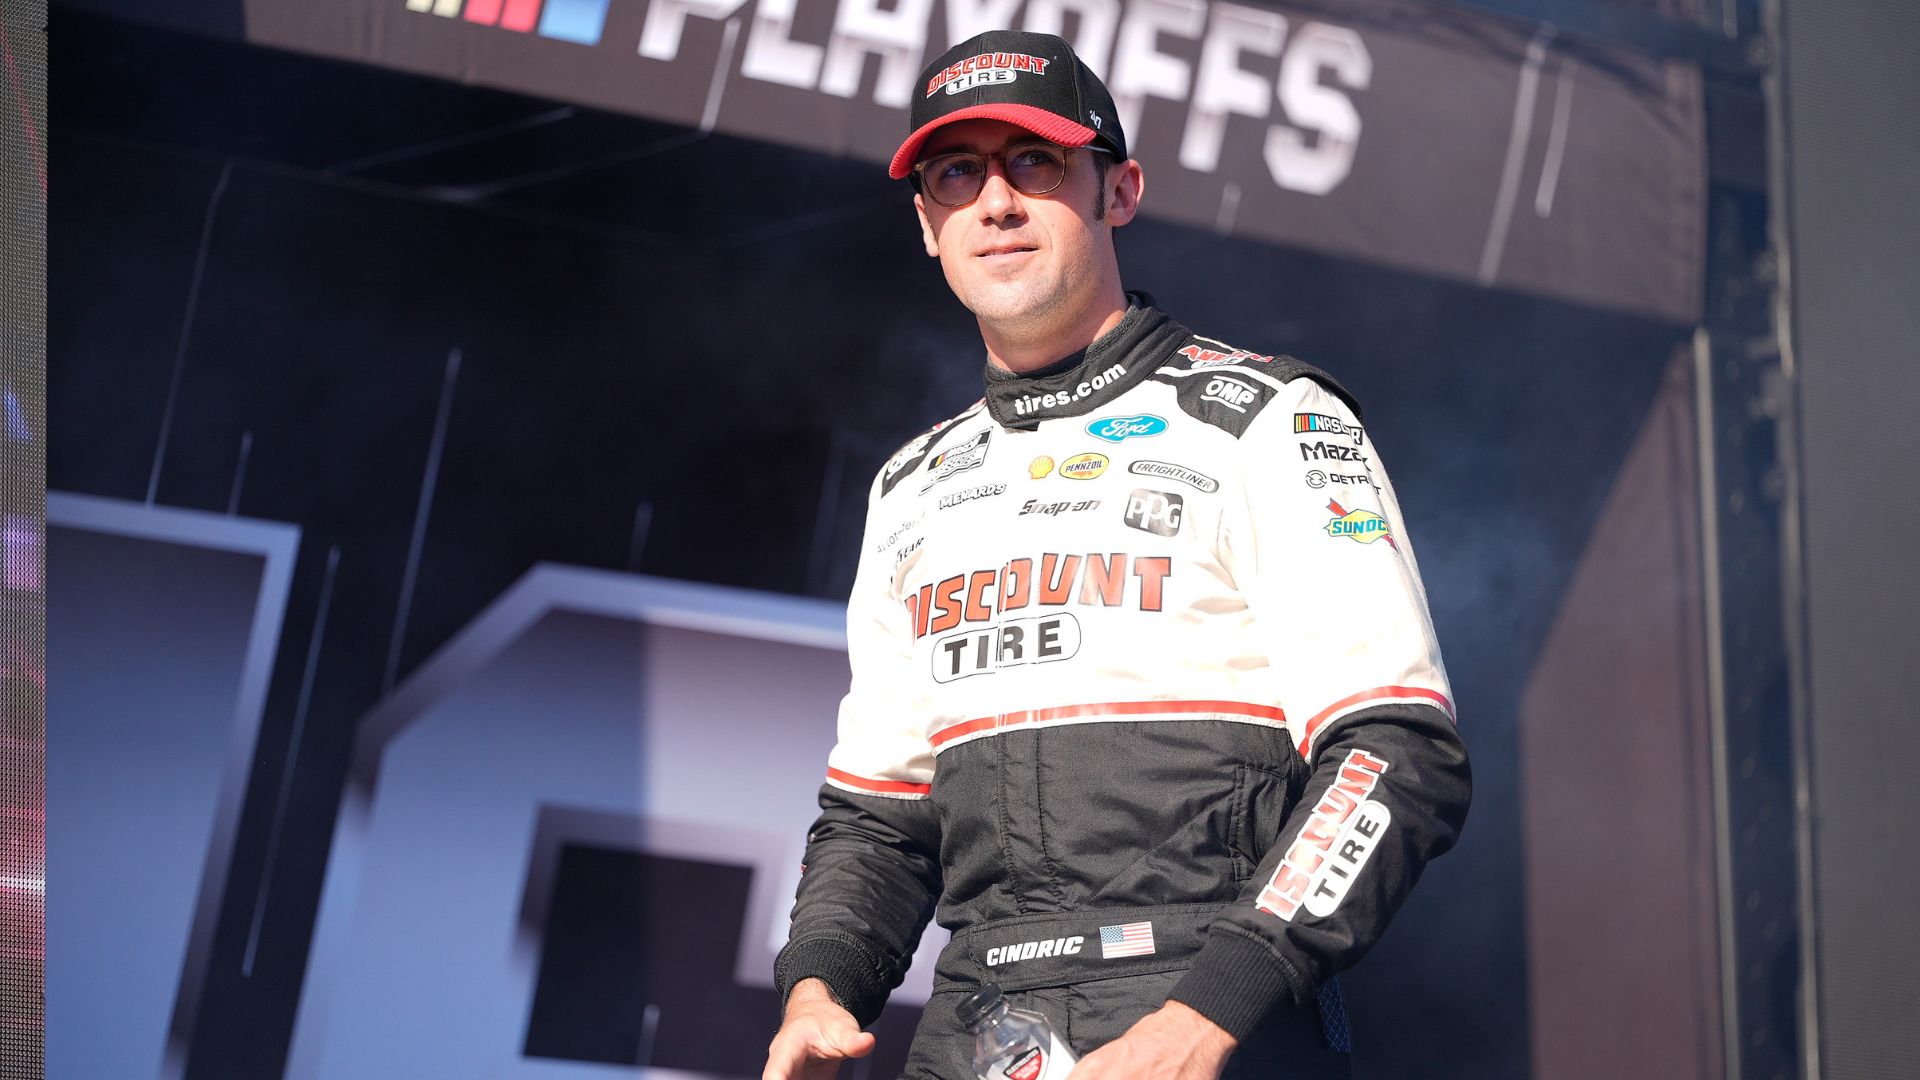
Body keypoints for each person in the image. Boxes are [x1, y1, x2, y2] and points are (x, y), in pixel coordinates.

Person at [763, 29, 1470, 1080]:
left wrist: (1207, 1017)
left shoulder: (1269, 421)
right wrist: (818, 988)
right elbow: (878, 820)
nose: (995, 203)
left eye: (1035, 162)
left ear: (1120, 190)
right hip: (974, 1032)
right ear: (926, 224)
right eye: (956, 174)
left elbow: (1396, 757)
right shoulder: (911, 486)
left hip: (1208, 1019)